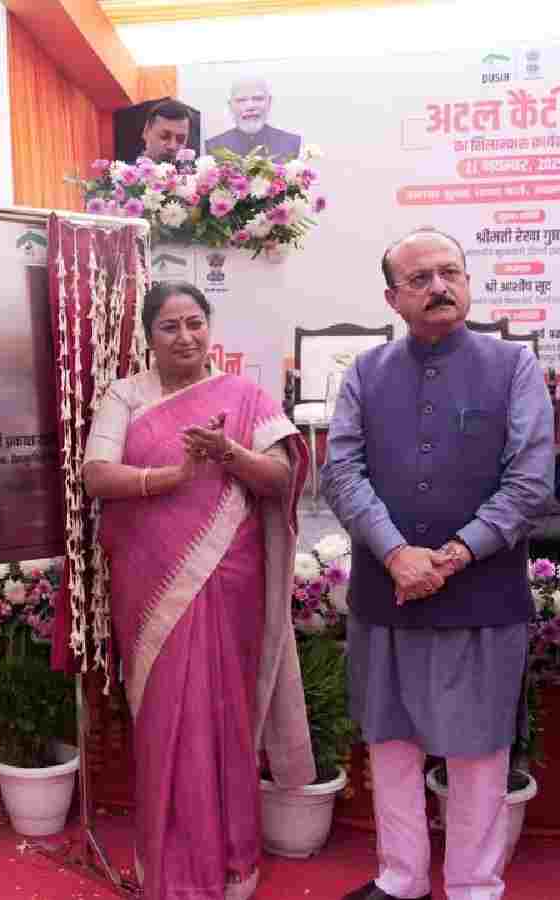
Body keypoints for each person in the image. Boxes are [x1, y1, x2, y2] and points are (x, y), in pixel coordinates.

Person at [321, 227, 553, 900]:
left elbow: (531, 481)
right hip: (386, 593)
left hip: (482, 594)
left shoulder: (513, 368)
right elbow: (342, 473)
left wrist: (451, 557)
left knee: (479, 754)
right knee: (391, 746)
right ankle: (401, 878)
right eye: (419, 279)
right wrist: (395, 553)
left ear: (469, 283)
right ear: (393, 297)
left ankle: (475, 885)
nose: (439, 288)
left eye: (450, 273)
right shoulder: (365, 373)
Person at [83, 281, 314, 900]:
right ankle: (173, 867)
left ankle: (233, 865)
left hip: (228, 579)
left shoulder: (243, 396)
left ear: (209, 328)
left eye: (194, 323)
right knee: (165, 718)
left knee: (223, 715)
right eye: (169, 327)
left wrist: (229, 453)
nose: (184, 337)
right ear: (148, 335)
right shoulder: (125, 396)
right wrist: (173, 475)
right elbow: (96, 474)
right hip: (150, 582)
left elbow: (281, 476)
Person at [205, 78, 301, 161]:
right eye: (241, 100)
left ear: (269, 102)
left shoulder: (292, 143)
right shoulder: (213, 146)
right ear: (230, 105)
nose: (250, 106)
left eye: (258, 99)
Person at [140, 98, 193, 164]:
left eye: (180, 139)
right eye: (164, 136)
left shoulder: (194, 173)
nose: (172, 146)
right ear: (146, 131)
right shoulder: (124, 172)